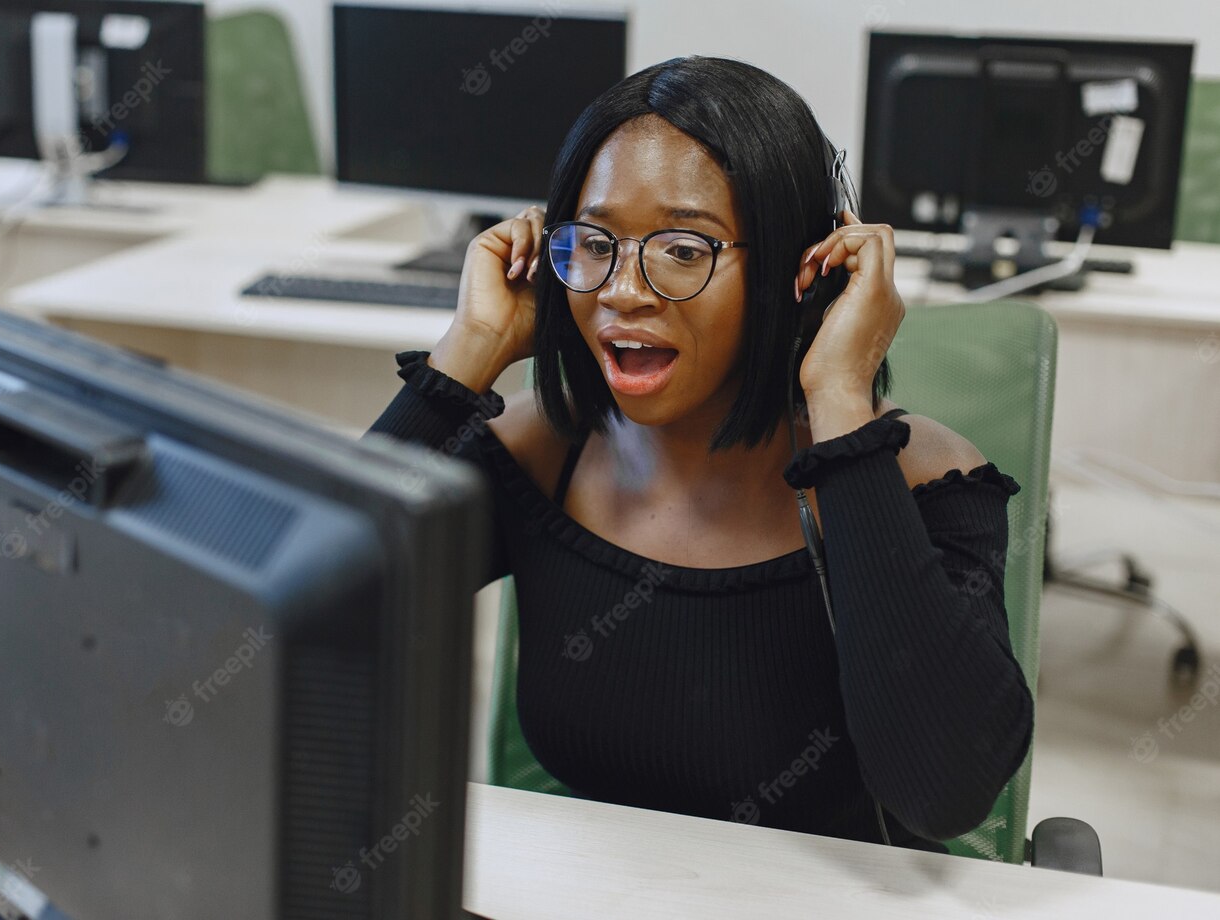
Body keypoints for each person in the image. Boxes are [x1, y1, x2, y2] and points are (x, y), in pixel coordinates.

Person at [365, 56, 1033, 852]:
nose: (622, 289)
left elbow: (945, 791)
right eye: (597, 242)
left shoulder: (924, 480)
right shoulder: (547, 452)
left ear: (801, 271)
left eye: (685, 248)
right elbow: (317, 599)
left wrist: (842, 403)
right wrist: (470, 347)